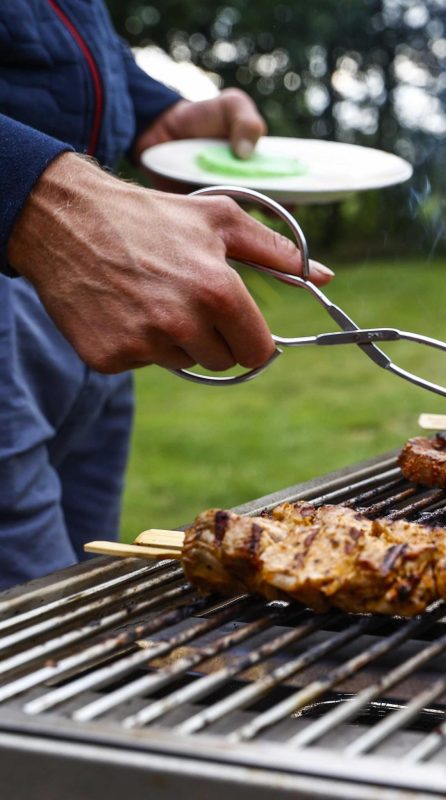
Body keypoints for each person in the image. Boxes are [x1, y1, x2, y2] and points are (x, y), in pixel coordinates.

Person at [0, 1, 332, 589]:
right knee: (33, 604)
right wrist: (34, 195)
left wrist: (154, 112)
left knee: (86, 583)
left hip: (100, 298)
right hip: (50, 252)